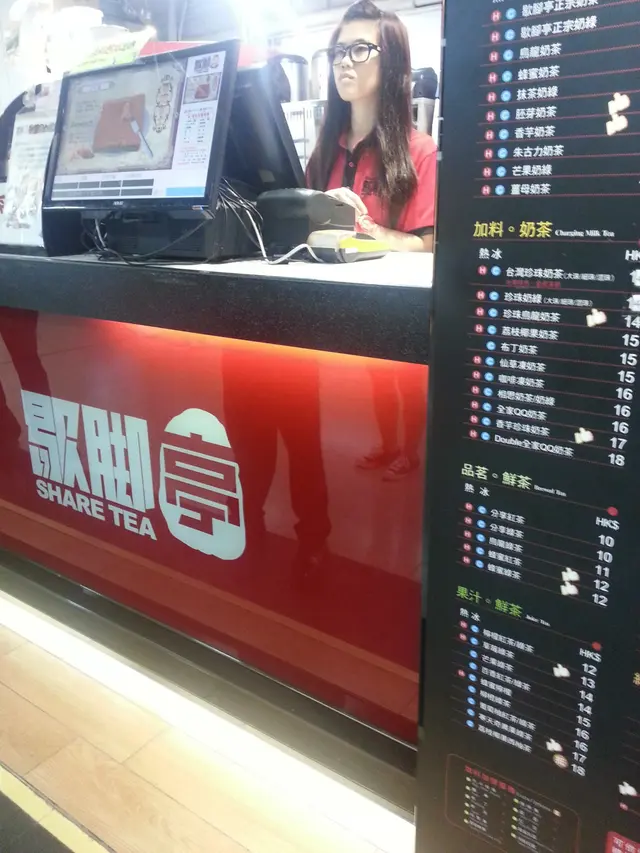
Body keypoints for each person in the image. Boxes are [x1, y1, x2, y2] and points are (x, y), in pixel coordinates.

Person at [306, 0, 437, 252]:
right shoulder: (323, 155)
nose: (344, 61)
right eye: (339, 51)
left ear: (391, 61)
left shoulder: (420, 151)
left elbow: (427, 247)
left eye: (360, 49)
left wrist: (361, 225)